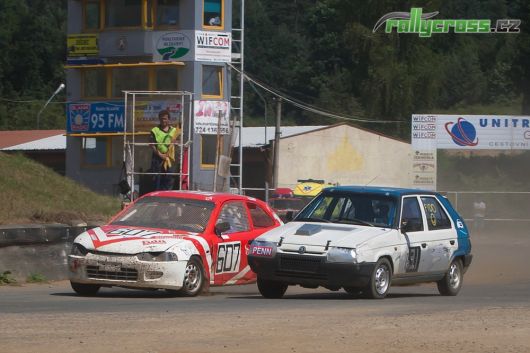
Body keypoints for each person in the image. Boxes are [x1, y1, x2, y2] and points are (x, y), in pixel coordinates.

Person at [150, 110, 180, 190]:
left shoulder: (174, 131)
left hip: (170, 159)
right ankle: (156, 199)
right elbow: (152, 144)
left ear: (168, 119)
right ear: (159, 119)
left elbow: (179, 142)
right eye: (162, 119)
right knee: (157, 179)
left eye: (165, 119)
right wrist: (160, 154)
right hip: (157, 158)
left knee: (169, 179)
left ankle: (167, 198)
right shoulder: (155, 130)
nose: (163, 120)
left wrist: (176, 142)